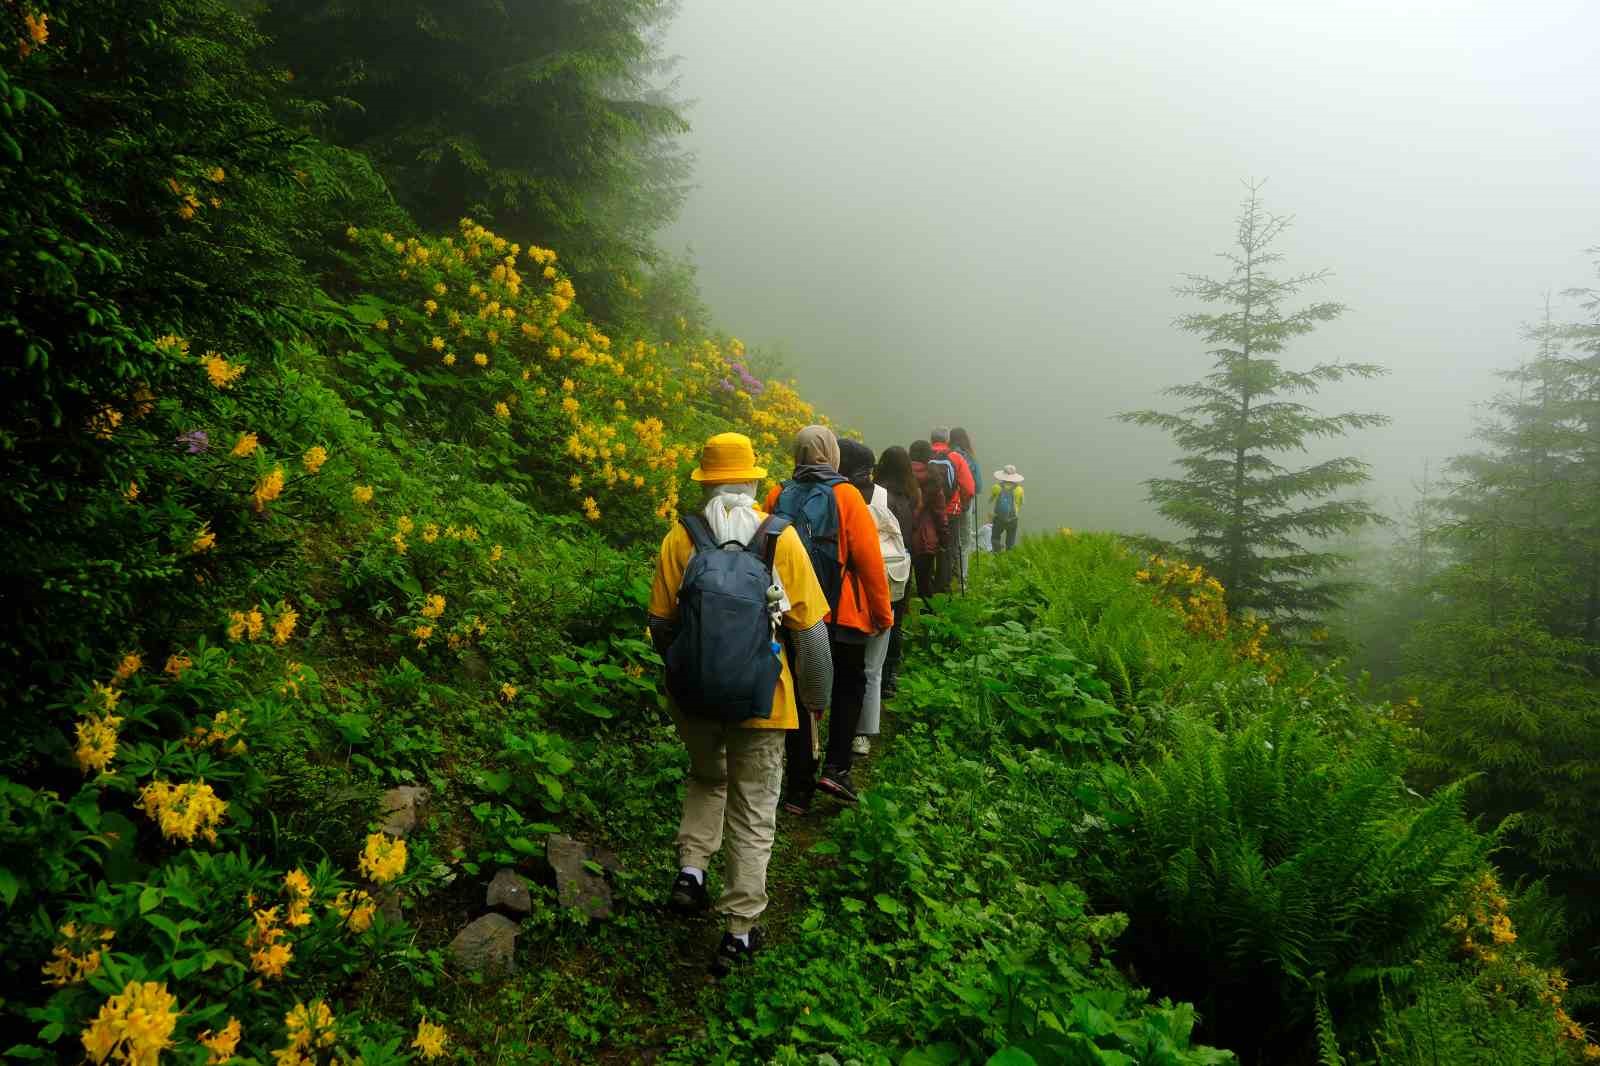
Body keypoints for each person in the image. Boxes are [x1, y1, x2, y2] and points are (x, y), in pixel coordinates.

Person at [647, 432, 834, 976]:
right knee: (753, 813)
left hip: (694, 700)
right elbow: (812, 635)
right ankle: (739, 931)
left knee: (707, 777)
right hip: (764, 701)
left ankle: (692, 871)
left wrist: (694, 667)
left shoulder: (681, 537)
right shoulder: (781, 538)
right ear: (753, 480)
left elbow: (660, 623)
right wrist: (815, 702)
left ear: (705, 481)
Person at [765, 426, 893, 812]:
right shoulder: (847, 496)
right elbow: (870, 562)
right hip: (842, 614)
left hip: (793, 614)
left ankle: (798, 790)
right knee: (847, 687)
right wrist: (883, 613)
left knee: (803, 696)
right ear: (832, 455)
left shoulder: (777, 494)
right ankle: (836, 768)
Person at [872, 445, 918, 704]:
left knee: (875, 618)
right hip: (902, 565)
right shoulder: (911, 495)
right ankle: (890, 676)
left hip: (877, 563)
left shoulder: (875, 494)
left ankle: (873, 672)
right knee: (896, 621)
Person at [928, 429, 974, 594]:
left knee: (928, 544)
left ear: (931, 439)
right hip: (951, 510)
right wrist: (962, 503)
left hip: (928, 510)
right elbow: (969, 488)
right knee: (949, 547)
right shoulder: (955, 457)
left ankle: (927, 584)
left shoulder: (924, 454)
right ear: (947, 440)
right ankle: (944, 586)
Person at [908, 440, 947, 603]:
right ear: (928, 456)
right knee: (925, 584)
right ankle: (928, 619)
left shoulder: (902, 473)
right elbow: (939, 513)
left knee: (901, 584)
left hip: (902, 534)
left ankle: (901, 619)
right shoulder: (933, 477)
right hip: (925, 538)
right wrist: (944, 537)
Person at [949, 428, 981, 592]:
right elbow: (977, 486)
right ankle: (963, 580)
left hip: (948, 505)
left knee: (952, 539)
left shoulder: (946, 456)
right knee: (965, 541)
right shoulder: (969, 457)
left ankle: (950, 573)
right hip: (966, 504)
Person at [990, 464, 1025, 552]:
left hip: (999, 518)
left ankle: (997, 554)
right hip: (1013, 519)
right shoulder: (1019, 490)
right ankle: (1009, 557)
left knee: (995, 537)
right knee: (1010, 541)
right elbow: (1022, 503)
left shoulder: (996, 487)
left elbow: (991, 499)